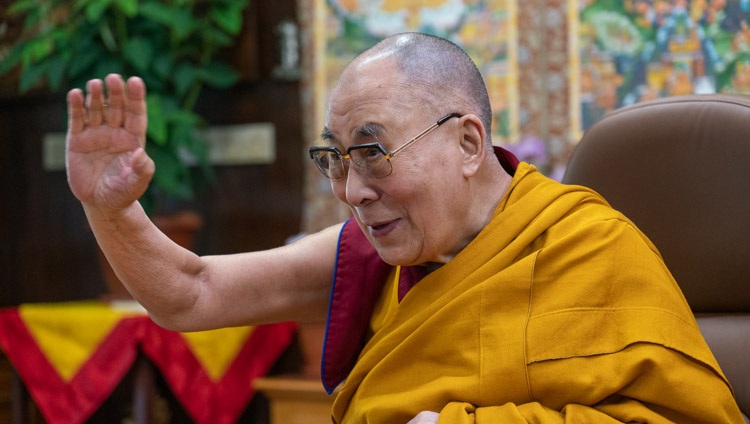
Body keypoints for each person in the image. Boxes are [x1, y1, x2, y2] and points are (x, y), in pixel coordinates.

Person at [66, 32, 743, 423]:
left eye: (373, 152)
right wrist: (110, 207)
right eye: (335, 158)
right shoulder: (372, 253)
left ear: (469, 145)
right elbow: (191, 291)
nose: (352, 192)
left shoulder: (590, 248)